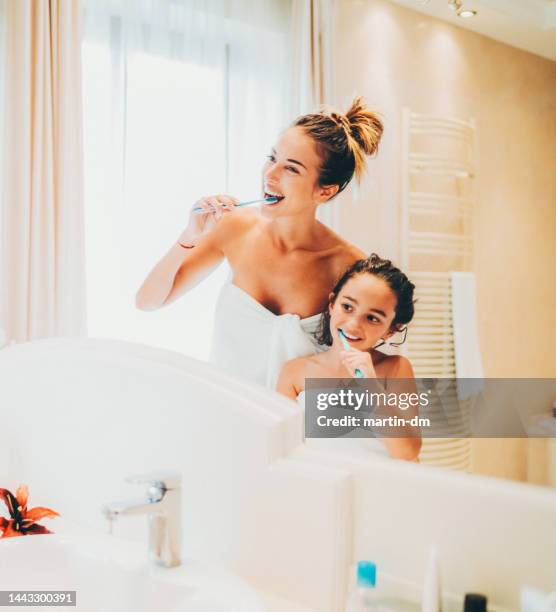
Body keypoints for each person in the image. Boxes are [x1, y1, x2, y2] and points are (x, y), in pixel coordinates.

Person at [136, 97, 383, 388]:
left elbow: (354, 371)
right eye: (272, 158)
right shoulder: (235, 227)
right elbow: (148, 302)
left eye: (291, 168)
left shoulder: (350, 267)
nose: (270, 174)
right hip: (226, 414)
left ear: (325, 191)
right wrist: (189, 236)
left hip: (299, 425)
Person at [277, 254, 421, 461]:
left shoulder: (396, 368)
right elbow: (283, 448)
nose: (353, 324)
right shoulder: (294, 372)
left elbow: (408, 453)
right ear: (332, 304)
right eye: (347, 307)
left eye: (372, 318)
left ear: (391, 330)